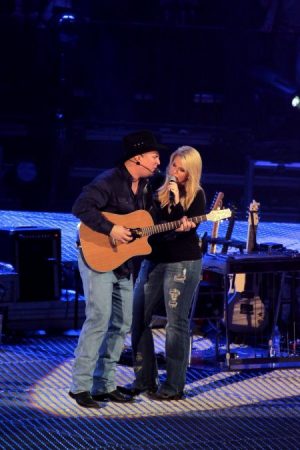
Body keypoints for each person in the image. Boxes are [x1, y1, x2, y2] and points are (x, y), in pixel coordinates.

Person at [68, 130, 167, 408]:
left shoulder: (146, 188)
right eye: (155, 156)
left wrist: (174, 218)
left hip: (123, 262)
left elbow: (144, 225)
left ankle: (105, 384)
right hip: (97, 256)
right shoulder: (108, 181)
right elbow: (81, 207)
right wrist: (111, 228)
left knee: (122, 322)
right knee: (99, 318)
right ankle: (80, 386)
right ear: (138, 158)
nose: (159, 161)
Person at [122, 145, 206, 400]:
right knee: (138, 317)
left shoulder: (197, 196)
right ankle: (145, 379)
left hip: (182, 262)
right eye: (173, 165)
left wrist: (178, 203)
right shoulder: (154, 188)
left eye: (181, 170)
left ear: (190, 174)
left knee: (175, 323)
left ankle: (173, 385)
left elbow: (186, 229)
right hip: (153, 260)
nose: (174, 172)